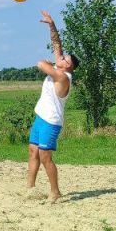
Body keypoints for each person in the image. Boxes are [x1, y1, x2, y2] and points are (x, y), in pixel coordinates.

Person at [28, 11, 79, 203]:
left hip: (51, 122)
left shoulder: (63, 76)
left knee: (45, 157)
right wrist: (51, 24)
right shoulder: (60, 68)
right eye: (63, 56)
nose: (62, 57)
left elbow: (40, 64)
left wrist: (48, 63)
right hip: (41, 117)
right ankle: (30, 189)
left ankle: (55, 191)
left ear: (68, 67)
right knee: (33, 151)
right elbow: (57, 44)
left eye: (65, 59)